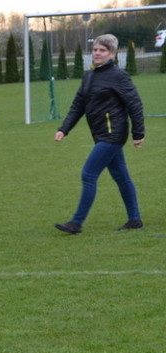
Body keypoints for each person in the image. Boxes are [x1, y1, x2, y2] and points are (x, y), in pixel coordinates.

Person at [54, 33, 144, 234]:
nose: (97, 53)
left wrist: (138, 133)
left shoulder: (119, 76)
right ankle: (135, 220)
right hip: (100, 134)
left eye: (102, 50)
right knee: (121, 177)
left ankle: (76, 223)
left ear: (111, 53)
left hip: (114, 134)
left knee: (88, 174)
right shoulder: (89, 76)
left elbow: (135, 105)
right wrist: (64, 129)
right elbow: (78, 106)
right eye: (95, 49)